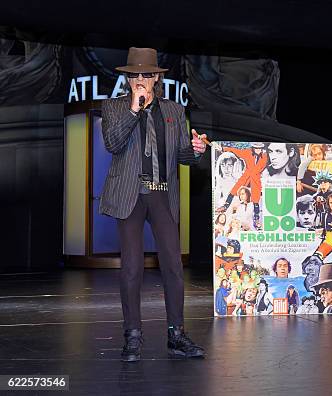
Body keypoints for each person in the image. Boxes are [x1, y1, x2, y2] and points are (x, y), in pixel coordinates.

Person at [99, 47, 206, 361]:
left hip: (162, 193)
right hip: (129, 194)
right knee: (132, 268)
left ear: (157, 78)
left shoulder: (173, 110)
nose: (141, 79)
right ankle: (132, 334)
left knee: (173, 265)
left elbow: (182, 155)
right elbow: (113, 143)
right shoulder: (115, 107)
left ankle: (176, 335)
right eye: (135, 75)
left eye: (147, 74)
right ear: (128, 79)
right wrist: (134, 109)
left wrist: (196, 150)